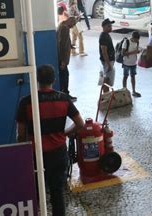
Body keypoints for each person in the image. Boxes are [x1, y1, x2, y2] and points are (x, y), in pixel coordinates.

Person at [16, 64, 84, 216]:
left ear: (37, 80)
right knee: (57, 191)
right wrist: (64, 133)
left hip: (36, 154)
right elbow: (80, 124)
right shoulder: (64, 99)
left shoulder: (26, 102)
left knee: (36, 192)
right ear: (53, 79)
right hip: (59, 152)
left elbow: (21, 134)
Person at [56, 16, 77, 101]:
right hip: (63, 59)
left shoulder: (60, 25)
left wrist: (70, 45)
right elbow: (62, 45)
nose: (73, 26)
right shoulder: (65, 28)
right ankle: (65, 95)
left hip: (60, 58)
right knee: (64, 77)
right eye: (73, 24)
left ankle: (64, 94)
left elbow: (62, 42)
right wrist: (63, 61)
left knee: (64, 76)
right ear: (70, 21)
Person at [122, 31, 142, 97]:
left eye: (137, 40)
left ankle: (133, 91)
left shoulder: (137, 42)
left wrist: (138, 51)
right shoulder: (126, 42)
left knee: (133, 76)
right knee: (125, 76)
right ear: (133, 37)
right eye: (136, 39)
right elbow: (123, 53)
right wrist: (134, 52)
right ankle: (124, 90)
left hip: (133, 62)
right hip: (126, 63)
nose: (136, 41)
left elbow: (136, 50)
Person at [99, 19, 116, 91]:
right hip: (107, 62)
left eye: (111, 26)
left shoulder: (106, 35)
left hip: (108, 61)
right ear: (103, 27)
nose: (110, 27)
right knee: (106, 80)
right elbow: (104, 51)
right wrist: (108, 64)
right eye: (109, 26)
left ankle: (106, 96)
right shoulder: (103, 37)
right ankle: (106, 96)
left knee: (107, 79)